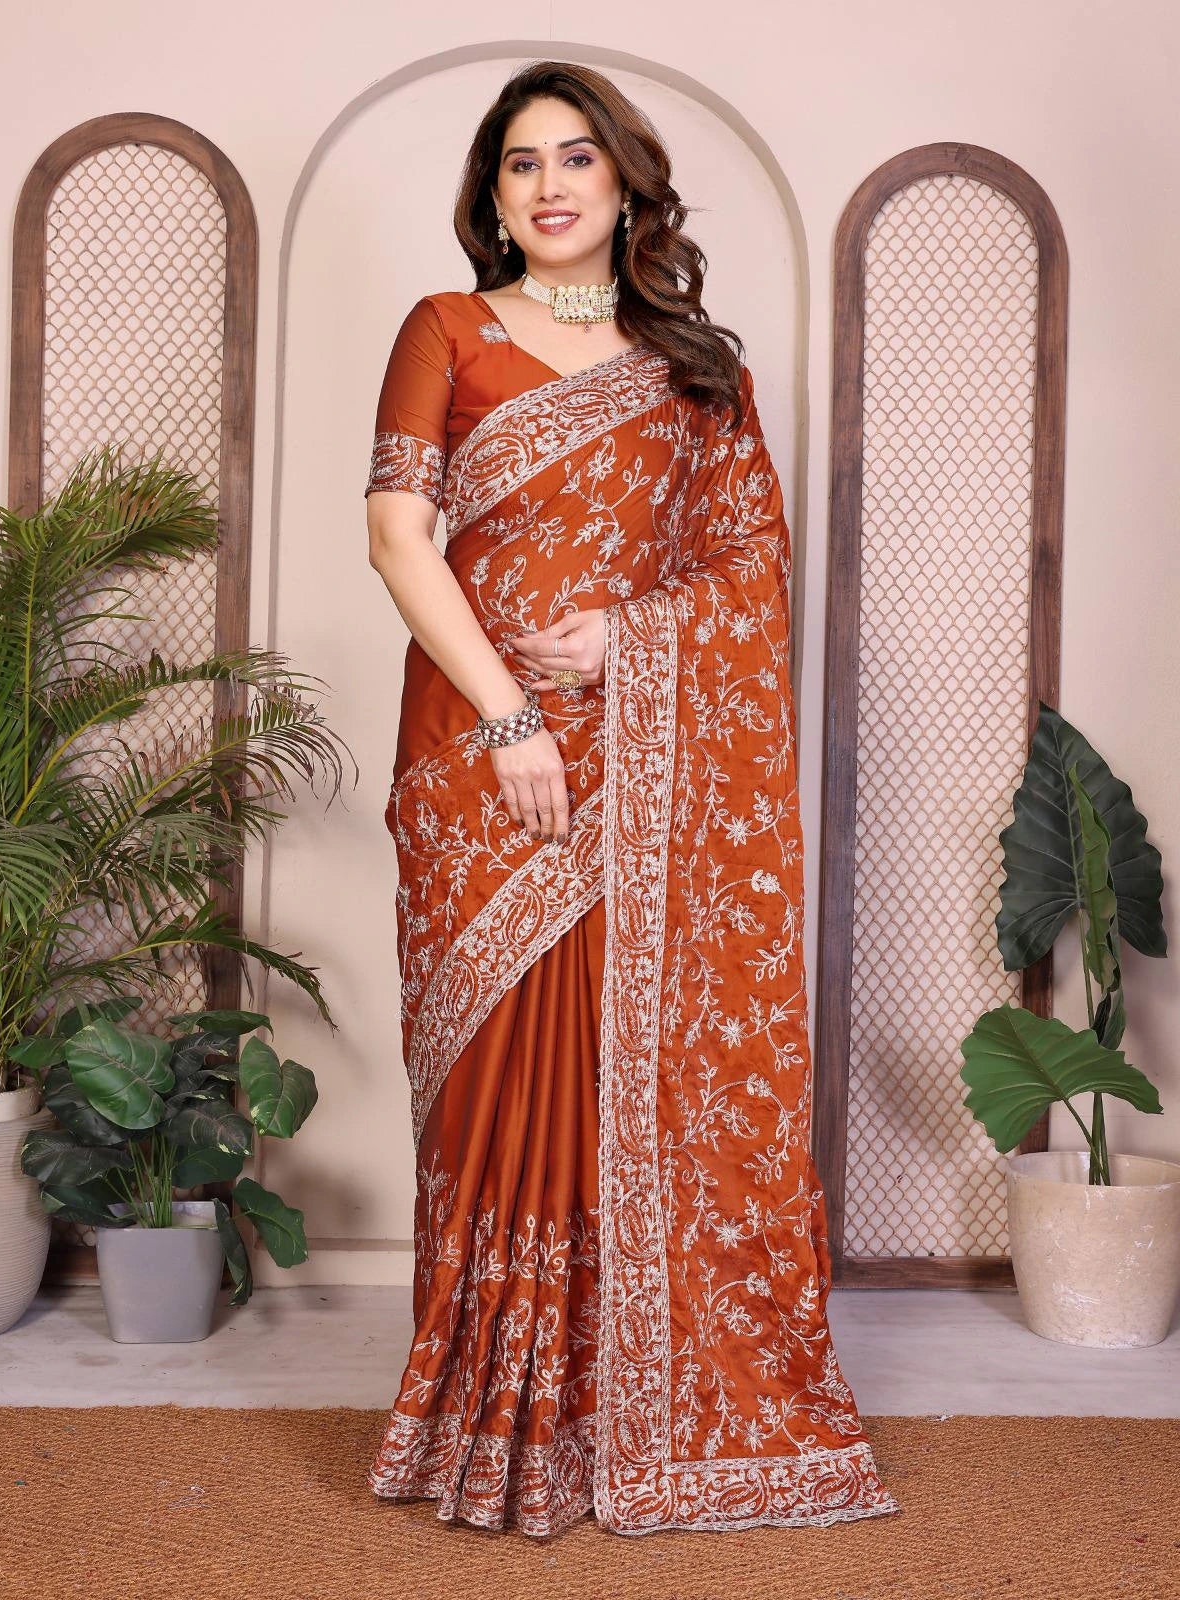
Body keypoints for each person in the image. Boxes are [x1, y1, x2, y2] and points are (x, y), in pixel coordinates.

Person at [363, 58, 901, 1540]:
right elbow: (400, 536)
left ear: (624, 185)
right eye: (520, 163)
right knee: (496, 1085)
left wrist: (628, 639)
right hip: (480, 758)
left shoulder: (693, 369)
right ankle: (491, 1418)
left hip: (645, 771)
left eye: (576, 158)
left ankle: (632, 1411)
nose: (548, 185)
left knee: (632, 1078)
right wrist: (513, 718)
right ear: (492, 196)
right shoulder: (448, 330)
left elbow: (749, 574)